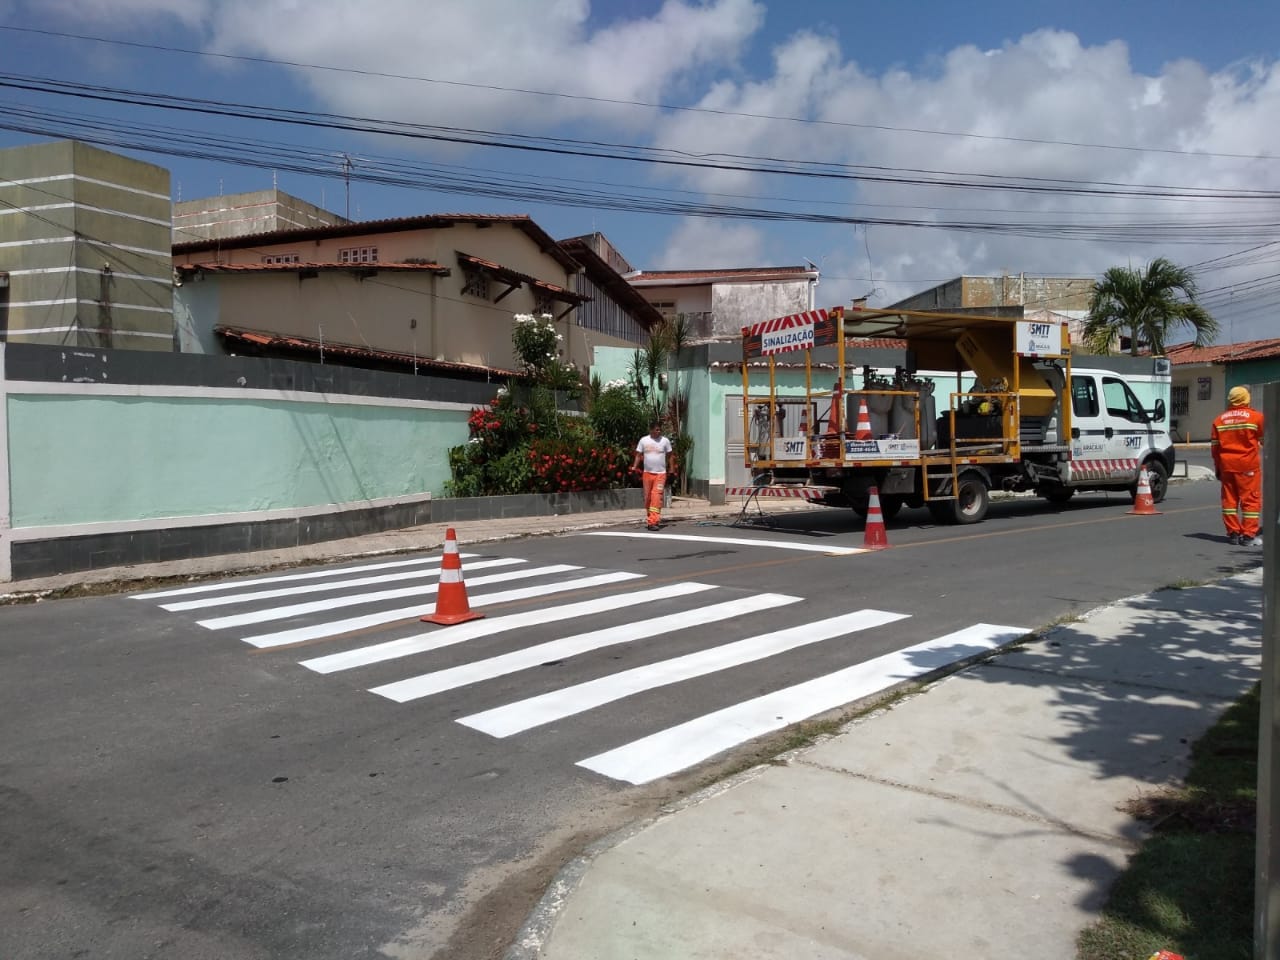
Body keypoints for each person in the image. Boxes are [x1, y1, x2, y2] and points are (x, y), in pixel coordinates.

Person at [1211, 385, 1264, 546]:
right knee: (1250, 501)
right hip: (1248, 466)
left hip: (1226, 465)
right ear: (1247, 399)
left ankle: (1233, 534)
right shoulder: (1256, 417)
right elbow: (1266, 440)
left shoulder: (1219, 420)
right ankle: (1248, 536)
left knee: (1229, 501)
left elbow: (1215, 448)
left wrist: (1218, 468)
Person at [632, 421, 673, 530]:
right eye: (656, 429)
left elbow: (670, 456)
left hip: (660, 474)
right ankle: (651, 517)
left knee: (656, 496)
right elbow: (638, 455)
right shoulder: (643, 440)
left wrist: (672, 469)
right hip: (647, 474)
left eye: (660, 429)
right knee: (648, 498)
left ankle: (653, 522)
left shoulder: (665, 441)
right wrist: (634, 467)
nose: (658, 431)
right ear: (651, 430)